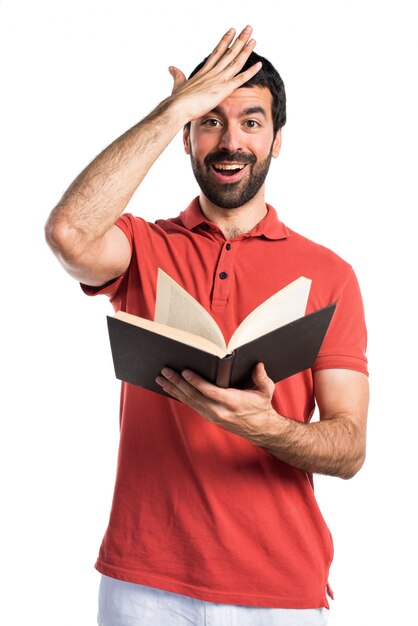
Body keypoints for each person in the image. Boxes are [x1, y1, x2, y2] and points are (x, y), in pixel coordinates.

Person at [45, 25, 369, 626]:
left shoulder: (331, 274)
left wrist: (269, 428)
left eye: (251, 122)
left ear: (277, 140)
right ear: (188, 138)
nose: (230, 141)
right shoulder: (143, 245)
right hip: (145, 579)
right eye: (210, 122)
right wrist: (174, 109)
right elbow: (70, 233)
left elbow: (349, 448)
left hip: (280, 588)